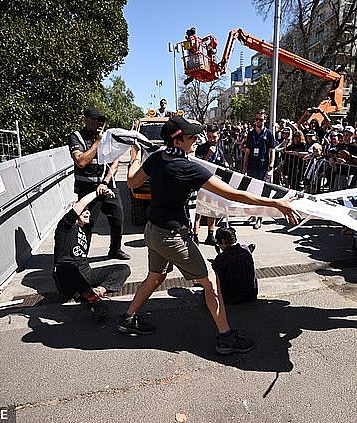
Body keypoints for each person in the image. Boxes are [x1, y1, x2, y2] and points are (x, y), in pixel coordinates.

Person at [119, 115, 299, 355]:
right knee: (211, 281)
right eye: (191, 136)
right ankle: (226, 338)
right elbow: (234, 194)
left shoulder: (156, 159)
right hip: (172, 237)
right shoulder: (188, 168)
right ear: (177, 140)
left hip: (152, 232)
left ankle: (128, 318)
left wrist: (135, 156)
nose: (196, 139)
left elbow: (131, 182)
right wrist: (275, 202)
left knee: (155, 278)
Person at [53, 188, 130, 321]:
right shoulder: (65, 227)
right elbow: (81, 204)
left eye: (88, 210)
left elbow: (94, 208)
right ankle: (95, 302)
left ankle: (98, 291)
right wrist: (97, 192)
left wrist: (103, 196)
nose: (87, 211)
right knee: (67, 268)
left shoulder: (85, 230)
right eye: (84, 210)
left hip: (86, 274)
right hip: (67, 277)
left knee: (123, 269)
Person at [68, 107, 130, 260]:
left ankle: (115, 249)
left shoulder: (107, 137)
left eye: (102, 120)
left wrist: (104, 182)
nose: (100, 123)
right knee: (87, 224)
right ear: (86, 120)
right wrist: (97, 142)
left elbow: (115, 163)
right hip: (87, 190)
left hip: (107, 186)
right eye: (96, 120)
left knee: (118, 218)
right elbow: (81, 162)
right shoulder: (76, 137)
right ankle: (81, 257)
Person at [193, 124, 229, 245]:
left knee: (212, 210)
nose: (211, 139)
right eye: (209, 137)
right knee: (199, 211)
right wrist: (208, 154)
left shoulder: (220, 149)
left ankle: (210, 235)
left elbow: (223, 165)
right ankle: (195, 235)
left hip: (215, 184)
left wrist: (227, 166)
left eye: (214, 137)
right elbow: (199, 165)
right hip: (202, 184)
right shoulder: (201, 148)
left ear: (218, 136)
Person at [242, 110, 277, 230]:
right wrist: (244, 168)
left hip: (263, 167)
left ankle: (259, 218)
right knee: (251, 193)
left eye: (261, 119)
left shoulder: (269, 134)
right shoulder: (251, 134)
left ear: (264, 120)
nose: (258, 121)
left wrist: (271, 165)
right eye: (257, 119)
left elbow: (272, 150)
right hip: (252, 166)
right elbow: (247, 152)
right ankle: (253, 214)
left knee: (260, 193)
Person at [212, 227, 258, 304]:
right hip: (250, 295)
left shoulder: (223, 257)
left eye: (218, 242)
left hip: (231, 297)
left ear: (222, 241)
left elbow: (214, 277)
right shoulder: (246, 250)